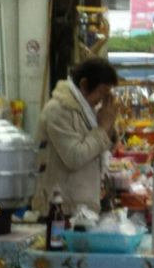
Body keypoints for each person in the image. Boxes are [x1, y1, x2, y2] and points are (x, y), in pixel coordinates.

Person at [33, 57, 119, 216]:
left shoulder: (87, 108)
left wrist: (110, 127)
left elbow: (100, 147)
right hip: (61, 208)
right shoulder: (58, 110)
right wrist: (103, 128)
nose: (103, 100)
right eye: (101, 92)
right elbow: (74, 157)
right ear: (84, 85)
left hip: (83, 207)